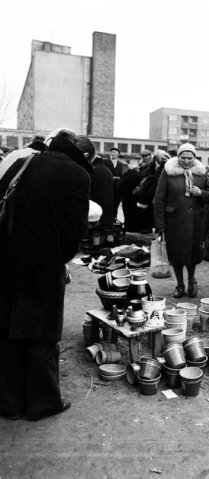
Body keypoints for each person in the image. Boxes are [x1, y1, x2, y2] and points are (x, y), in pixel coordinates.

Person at [0, 128, 92, 421]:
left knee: (9, 327)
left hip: (7, 258)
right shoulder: (78, 176)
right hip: (44, 262)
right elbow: (74, 232)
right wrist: (58, 257)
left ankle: (9, 403)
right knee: (41, 331)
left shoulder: (23, 162)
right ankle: (41, 403)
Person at [154, 143, 209, 298]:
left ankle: (191, 281)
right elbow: (159, 200)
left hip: (195, 221)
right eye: (183, 158)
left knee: (193, 254)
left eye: (190, 158)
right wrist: (160, 226)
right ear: (178, 157)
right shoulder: (168, 173)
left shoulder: (202, 173)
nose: (186, 161)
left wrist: (201, 193)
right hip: (174, 222)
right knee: (176, 255)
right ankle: (180, 284)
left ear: (195, 158)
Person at [77, 136, 114, 250]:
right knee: (101, 227)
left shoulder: (92, 170)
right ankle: (98, 245)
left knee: (94, 227)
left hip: (95, 201)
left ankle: (93, 245)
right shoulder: (107, 171)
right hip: (107, 202)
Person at [104, 147, 129, 218]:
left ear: (118, 154)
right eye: (112, 152)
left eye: (115, 152)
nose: (113, 153)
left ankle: (114, 218)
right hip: (108, 186)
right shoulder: (105, 162)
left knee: (116, 203)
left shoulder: (120, 164)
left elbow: (122, 175)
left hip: (117, 187)